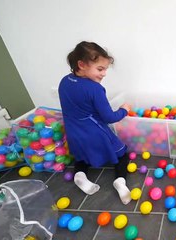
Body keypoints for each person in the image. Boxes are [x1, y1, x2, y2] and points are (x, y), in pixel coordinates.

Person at [58, 41, 132, 205]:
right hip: (94, 133)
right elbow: (109, 117)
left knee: (81, 157)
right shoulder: (95, 89)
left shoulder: (64, 81)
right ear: (81, 64)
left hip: (73, 132)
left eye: (105, 69)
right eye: (100, 69)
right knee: (122, 155)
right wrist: (124, 110)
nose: (104, 73)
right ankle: (120, 181)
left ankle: (80, 175)